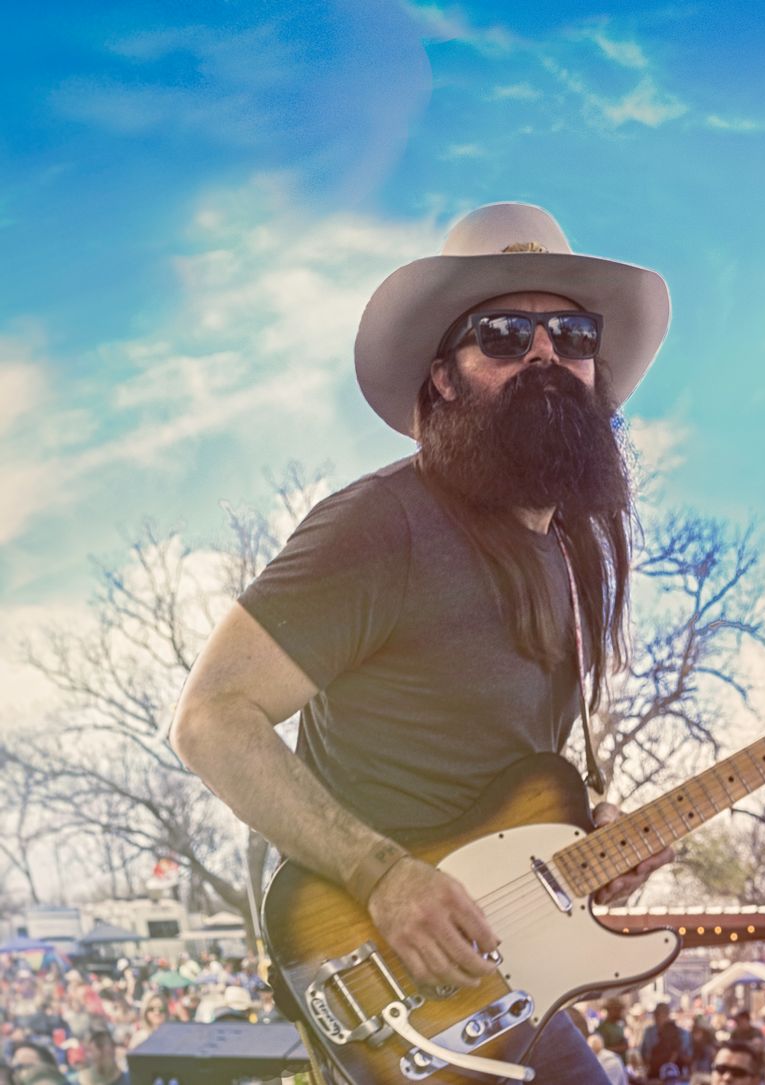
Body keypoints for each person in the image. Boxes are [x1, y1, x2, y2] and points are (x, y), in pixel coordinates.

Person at [169, 201, 676, 1082]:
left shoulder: (570, 552)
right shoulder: (379, 524)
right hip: (376, 968)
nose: (545, 354)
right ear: (442, 376)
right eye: (505, 333)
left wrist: (588, 838)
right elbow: (210, 718)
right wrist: (382, 876)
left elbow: (500, 779)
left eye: (572, 334)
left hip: (493, 964)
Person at [642, 1003, 689, 1082]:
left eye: (659, 1015)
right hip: (655, 1075)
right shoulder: (649, 1032)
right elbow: (645, 1054)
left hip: (674, 1075)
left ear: (667, 1015)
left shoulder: (680, 1033)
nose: (656, 1017)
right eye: (655, 1014)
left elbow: (685, 1056)